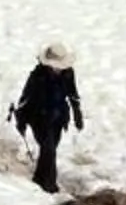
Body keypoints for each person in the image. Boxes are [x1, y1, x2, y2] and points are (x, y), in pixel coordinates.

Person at [12, 43, 83, 193]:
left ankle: (39, 178)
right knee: (49, 148)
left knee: (50, 148)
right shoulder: (37, 76)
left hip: (58, 116)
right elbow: (26, 97)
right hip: (38, 116)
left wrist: (77, 114)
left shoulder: (68, 74)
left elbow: (72, 94)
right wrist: (21, 119)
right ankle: (50, 184)